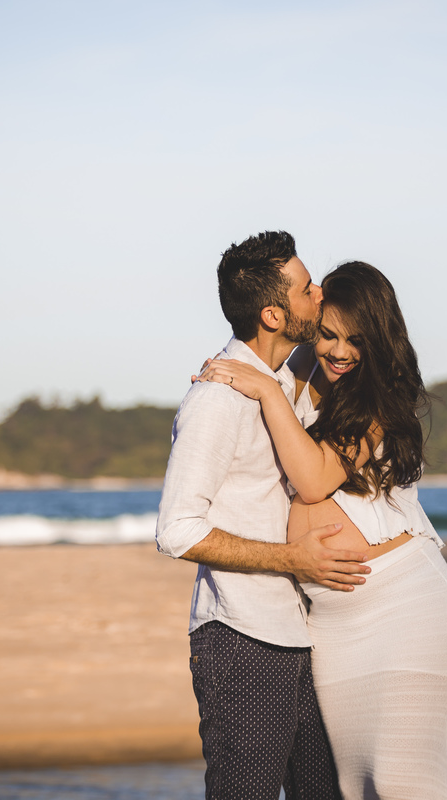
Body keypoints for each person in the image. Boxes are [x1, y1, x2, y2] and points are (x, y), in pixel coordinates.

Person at [197, 261, 447, 800]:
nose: (340, 351)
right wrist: (229, 377)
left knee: (403, 786)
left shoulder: (376, 399)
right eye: (328, 334)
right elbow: (269, 343)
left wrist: (267, 393)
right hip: (333, 629)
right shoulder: (307, 373)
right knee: (361, 789)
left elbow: (314, 481)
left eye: (357, 340)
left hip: (403, 614)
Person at [156, 231, 373, 800]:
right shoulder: (217, 397)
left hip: (304, 635)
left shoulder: (284, 383)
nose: (320, 293)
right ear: (273, 315)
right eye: (307, 289)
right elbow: (176, 531)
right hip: (242, 639)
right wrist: (292, 559)